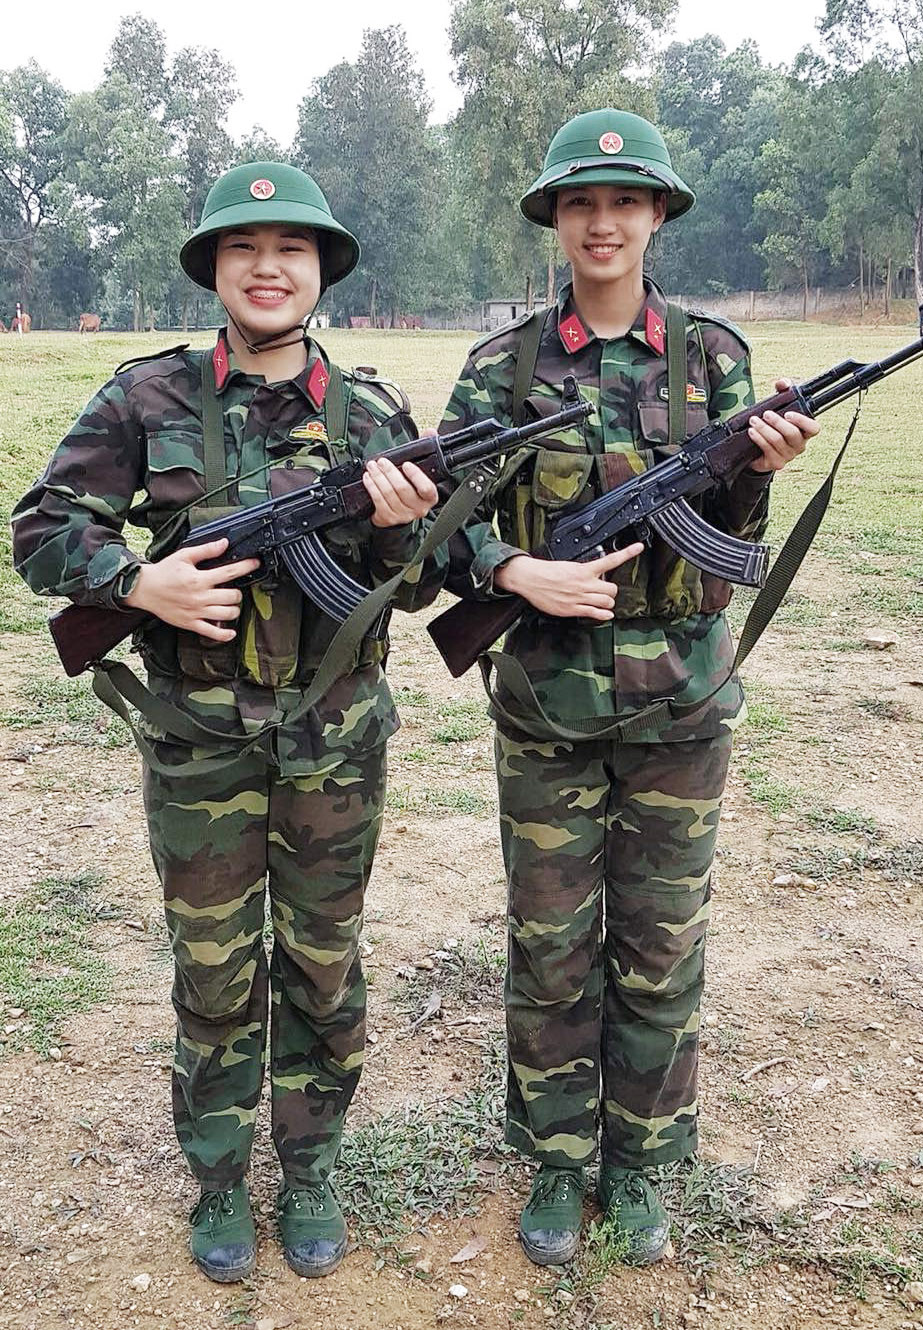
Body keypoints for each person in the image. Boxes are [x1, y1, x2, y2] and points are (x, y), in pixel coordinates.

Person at [12, 162, 445, 1282]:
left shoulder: (372, 414)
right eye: (243, 248)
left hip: (335, 747)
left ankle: (310, 1169)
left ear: (321, 271)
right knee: (213, 971)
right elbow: (42, 530)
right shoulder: (143, 398)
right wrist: (136, 583)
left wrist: (400, 529)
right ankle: (216, 1177)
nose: (267, 267)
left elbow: (418, 585)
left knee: (323, 961)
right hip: (198, 745)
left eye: (291, 249)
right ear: (212, 268)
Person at [438, 110, 820, 1266]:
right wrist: (515, 572)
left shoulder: (711, 358)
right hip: (546, 707)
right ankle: (558, 1163)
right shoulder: (500, 369)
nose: (601, 222)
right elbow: (433, 528)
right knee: (551, 946)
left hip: (679, 705)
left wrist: (757, 471)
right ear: (555, 219)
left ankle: (640, 1164)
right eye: (579, 203)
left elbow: (727, 531)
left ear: (655, 214)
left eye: (622, 202)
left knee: (658, 947)